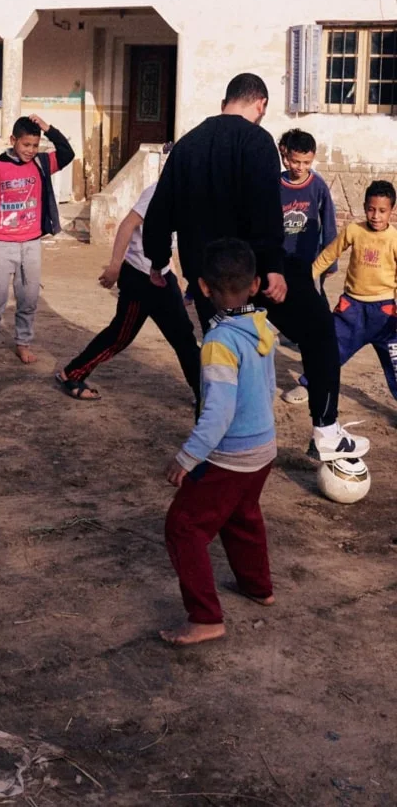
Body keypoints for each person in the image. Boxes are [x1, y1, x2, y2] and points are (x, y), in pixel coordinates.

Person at [142, 73, 369, 462]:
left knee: (225, 353)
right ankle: (326, 432)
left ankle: (218, 444)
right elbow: (265, 210)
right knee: (317, 330)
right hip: (253, 273)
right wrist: (274, 267)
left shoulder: (187, 145)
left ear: (226, 99)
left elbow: (160, 209)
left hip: (209, 280)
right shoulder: (256, 141)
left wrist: (158, 261)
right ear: (260, 104)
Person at [161, 239, 276, 647]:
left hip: (232, 454)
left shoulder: (218, 344)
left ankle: (205, 617)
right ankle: (258, 586)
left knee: (183, 527)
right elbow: (267, 386)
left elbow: (219, 412)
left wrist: (188, 456)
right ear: (256, 284)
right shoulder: (261, 324)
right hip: (264, 448)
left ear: (203, 288)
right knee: (242, 515)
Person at [55, 183, 200, 403]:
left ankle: (205, 394)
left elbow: (168, 241)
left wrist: (175, 276)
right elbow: (128, 224)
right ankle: (72, 374)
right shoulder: (157, 191)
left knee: (184, 337)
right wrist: (115, 266)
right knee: (120, 335)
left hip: (162, 275)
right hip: (139, 277)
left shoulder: (190, 192)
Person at [0, 114, 74, 365]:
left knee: (28, 296)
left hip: (31, 242)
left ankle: (23, 342)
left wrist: (48, 128)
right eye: (26, 145)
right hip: (2, 242)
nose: (30, 150)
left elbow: (67, 153)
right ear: (13, 140)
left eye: (35, 145)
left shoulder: (42, 163)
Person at [313, 179, 397, 403]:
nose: (376, 216)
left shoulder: (394, 239)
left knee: (395, 363)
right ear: (364, 207)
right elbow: (328, 256)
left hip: (385, 312)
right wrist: (307, 277)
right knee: (327, 350)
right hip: (351, 308)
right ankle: (309, 385)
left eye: (382, 211)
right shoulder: (353, 230)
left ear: (391, 210)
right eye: (371, 209)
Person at [278, 128, 337, 401]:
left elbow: (329, 225)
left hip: (309, 267)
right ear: (286, 157)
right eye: (296, 161)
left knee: (314, 322)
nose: (300, 168)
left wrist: (329, 262)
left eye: (306, 163)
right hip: (280, 264)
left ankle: (309, 378)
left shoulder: (317, 186)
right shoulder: (274, 184)